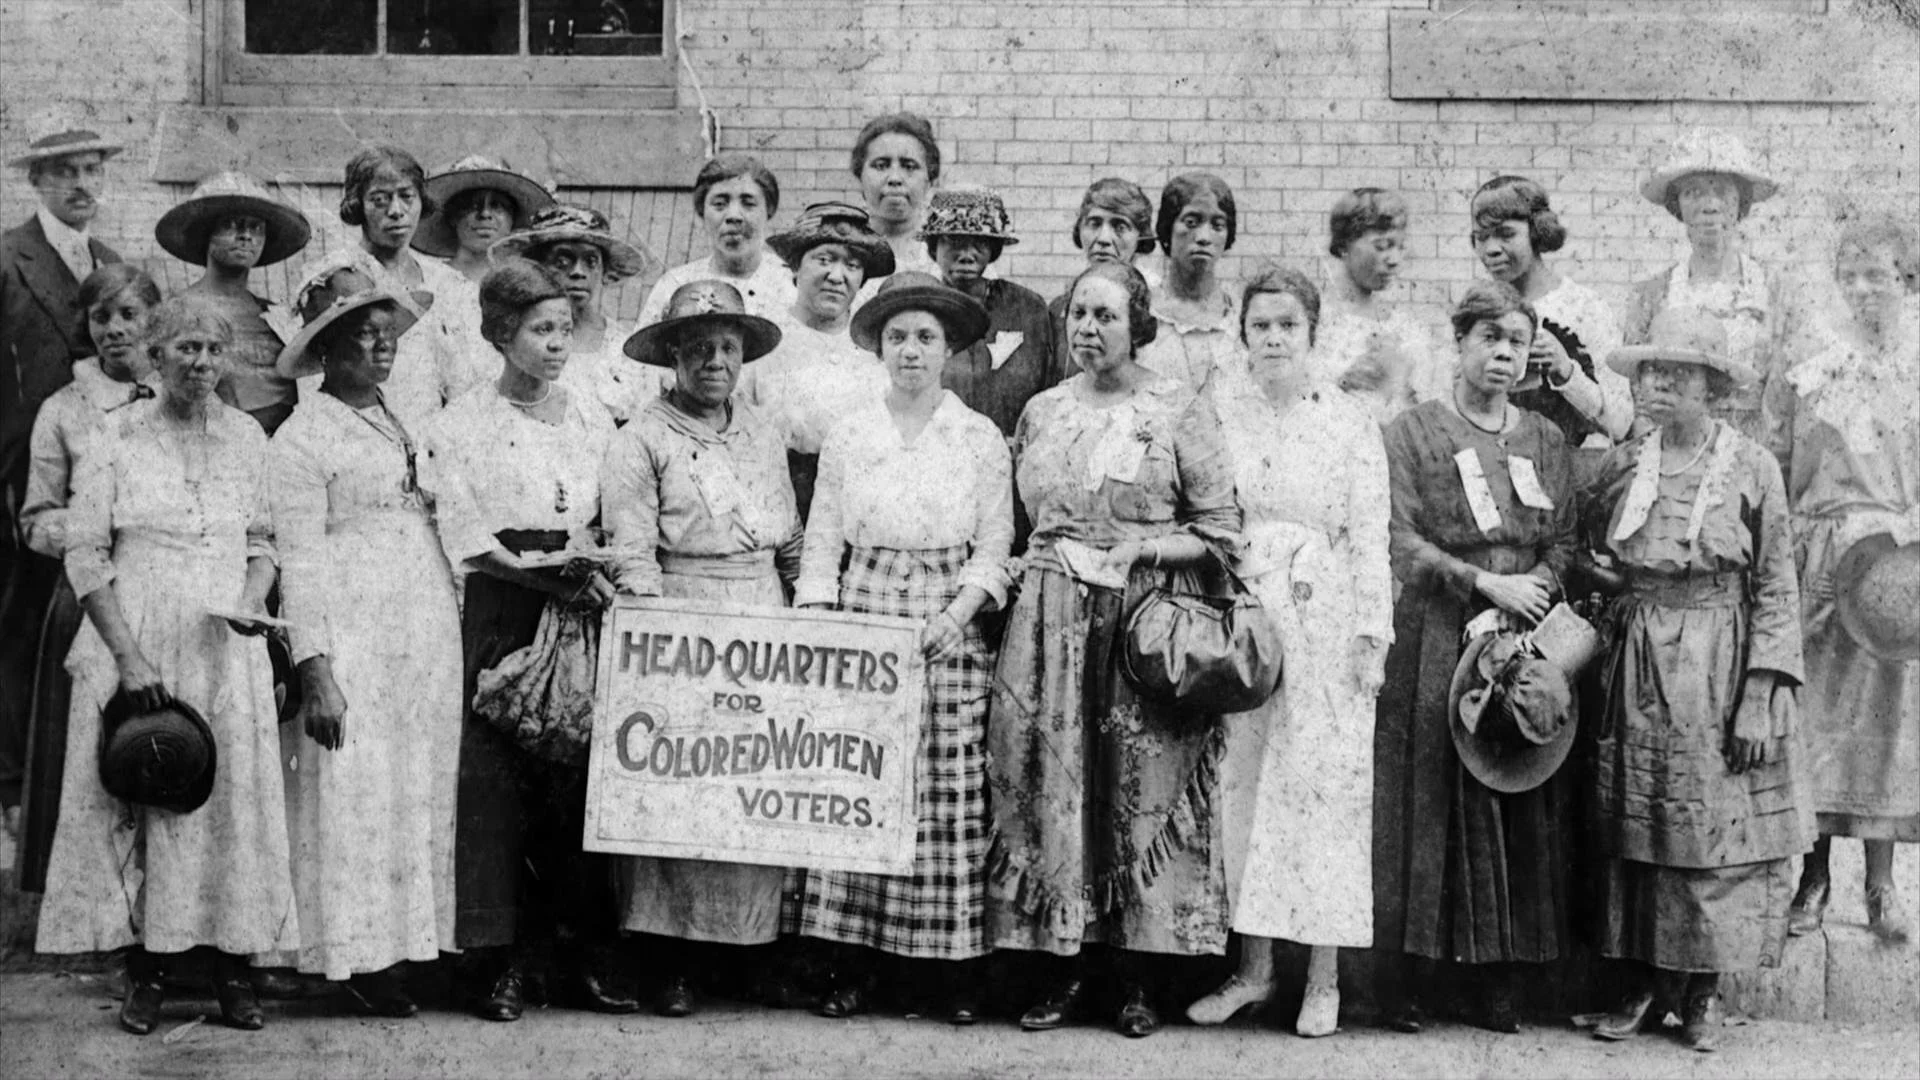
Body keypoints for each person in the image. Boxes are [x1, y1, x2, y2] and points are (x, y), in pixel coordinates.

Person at [985, 261, 1242, 1039]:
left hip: (1143, 624)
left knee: (1137, 790)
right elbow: (1023, 524)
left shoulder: (1178, 407)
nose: (1089, 329)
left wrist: (1141, 550)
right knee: (1057, 790)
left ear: (1138, 326)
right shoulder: (1042, 410)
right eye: (1079, 315)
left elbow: (1221, 531)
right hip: (1050, 623)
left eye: (1106, 316)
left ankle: (1138, 980)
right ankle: (1064, 969)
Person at [36, 293, 295, 1034]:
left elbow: (263, 539)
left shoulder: (246, 436)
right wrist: (128, 656)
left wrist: (250, 599)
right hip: (141, 629)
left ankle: (233, 969)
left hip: (225, 639)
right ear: (155, 355)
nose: (201, 363)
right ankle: (147, 971)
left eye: (213, 350)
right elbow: (86, 554)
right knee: (146, 788)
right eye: (185, 348)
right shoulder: (113, 435)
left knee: (231, 799)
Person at [1579, 307, 1810, 1052]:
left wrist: (1760, 693)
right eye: (1651, 371)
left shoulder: (1752, 466)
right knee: (1640, 821)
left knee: (1711, 829)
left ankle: (1703, 994)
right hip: (1637, 661)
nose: (1658, 385)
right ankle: (1641, 985)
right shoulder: (1625, 464)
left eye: (1677, 373)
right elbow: (1590, 549)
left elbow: (1776, 582)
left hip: (1720, 662)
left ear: (1711, 386)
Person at [791, 273, 1011, 1023]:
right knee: (863, 780)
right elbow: (823, 535)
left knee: (947, 783)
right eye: (896, 338)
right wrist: (825, 616)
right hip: (867, 604)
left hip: (947, 612)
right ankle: (853, 964)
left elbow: (995, 541)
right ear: (879, 349)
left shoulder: (977, 435)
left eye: (925, 338)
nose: (911, 351)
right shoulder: (852, 432)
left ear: (949, 350)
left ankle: (947, 972)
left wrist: (959, 613)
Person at [1186, 267, 1391, 1037]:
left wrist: (1371, 637)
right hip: (1244, 619)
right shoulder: (1223, 413)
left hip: (1324, 620)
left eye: (1288, 326)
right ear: (1242, 334)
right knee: (1243, 790)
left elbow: (1369, 534)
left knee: (1323, 795)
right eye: (1260, 326)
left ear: (1312, 333)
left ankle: (1322, 979)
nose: (1273, 339)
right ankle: (1254, 970)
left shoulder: (1347, 419)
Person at [423, 259, 628, 1022]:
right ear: (500, 335)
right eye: (541, 330)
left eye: (565, 330)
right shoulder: (460, 424)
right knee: (497, 785)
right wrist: (545, 580)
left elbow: (608, 513)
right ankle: (497, 963)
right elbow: (466, 538)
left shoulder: (591, 417)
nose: (556, 344)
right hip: (505, 609)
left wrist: (590, 571)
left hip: (580, 606)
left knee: (571, 784)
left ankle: (572, 959)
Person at [1372, 280, 1577, 1034]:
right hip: (1438, 627)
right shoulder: (1413, 433)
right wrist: (1480, 582)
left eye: (1516, 342)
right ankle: (1413, 977)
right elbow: (1399, 535)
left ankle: (1499, 978)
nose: (1502, 354)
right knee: (1429, 796)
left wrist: (1535, 587)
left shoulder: (1545, 440)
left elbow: (1565, 539)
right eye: (1489, 338)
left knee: (1512, 785)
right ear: (1458, 343)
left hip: (1524, 630)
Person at [267, 267, 462, 1014]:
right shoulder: (302, 437)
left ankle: (417, 945)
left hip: (420, 618)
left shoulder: (399, 418)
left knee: (416, 778)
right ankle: (358, 955)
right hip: (355, 622)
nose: (382, 347)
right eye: (361, 335)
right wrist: (315, 668)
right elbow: (299, 562)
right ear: (324, 348)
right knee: (359, 784)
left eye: (387, 334)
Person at [602, 279, 797, 1018]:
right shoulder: (642, 438)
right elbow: (631, 551)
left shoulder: (762, 432)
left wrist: (808, 610)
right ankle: (671, 960)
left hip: (760, 612)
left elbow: (787, 534)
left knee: (752, 779)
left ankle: (745, 953)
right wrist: (657, 635)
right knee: (681, 783)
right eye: (699, 349)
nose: (715, 362)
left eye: (727, 348)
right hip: (682, 618)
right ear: (672, 356)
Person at [1783, 215, 1920, 943]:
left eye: (1880, 276)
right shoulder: (1817, 370)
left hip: (1893, 567)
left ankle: (1881, 885)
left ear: (1907, 282)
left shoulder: (1915, 374)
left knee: (1886, 723)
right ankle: (1814, 879)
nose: (1865, 290)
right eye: (1853, 276)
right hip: (1821, 556)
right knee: (1818, 720)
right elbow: (1788, 467)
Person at [13, 265, 161, 895]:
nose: (116, 329)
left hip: (170, 584)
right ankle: (97, 905)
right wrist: (95, 530)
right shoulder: (64, 408)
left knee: (169, 742)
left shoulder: (180, 388)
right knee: (92, 755)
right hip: (89, 595)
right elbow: (37, 517)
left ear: (154, 320)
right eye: (102, 317)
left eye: (129, 314)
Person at [2, 129, 125, 826]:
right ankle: (13, 792)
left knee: (86, 621)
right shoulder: (8, 259)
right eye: (66, 173)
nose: (82, 185)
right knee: (20, 621)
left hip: (101, 467)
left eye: (91, 170)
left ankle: (78, 783)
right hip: (22, 468)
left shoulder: (109, 261)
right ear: (37, 182)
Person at [1623, 129, 1803, 452]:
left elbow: (1787, 399)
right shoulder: (1651, 295)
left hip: (1755, 451)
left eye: (1721, 192)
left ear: (1741, 201)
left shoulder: (1776, 293)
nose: (1709, 205)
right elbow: (1641, 404)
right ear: (1677, 204)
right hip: (1674, 452)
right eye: (1693, 192)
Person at [746, 201, 896, 518]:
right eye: (824, 260)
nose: (836, 276)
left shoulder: (875, 350)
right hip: (771, 501)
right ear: (796, 267)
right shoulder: (764, 341)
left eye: (852, 265)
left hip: (855, 507)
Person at [1469, 175, 1632, 448]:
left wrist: (1565, 370)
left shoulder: (1584, 307)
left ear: (1536, 233)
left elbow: (1622, 423)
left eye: (1506, 234)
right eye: (1481, 238)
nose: (1492, 249)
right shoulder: (1475, 312)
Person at [334, 145, 491, 425]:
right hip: (363, 430)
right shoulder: (339, 276)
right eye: (379, 200)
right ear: (359, 206)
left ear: (421, 201)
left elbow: (464, 377)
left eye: (406, 196)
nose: (396, 211)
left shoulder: (445, 282)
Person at [158, 171, 312, 436]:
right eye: (231, 225)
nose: (245, 236)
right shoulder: (180, 309)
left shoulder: (274, 313)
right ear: (207, 233)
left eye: (256, 228)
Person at [494, 203, 665, 423]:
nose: (578, 272)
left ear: (604, 271)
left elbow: (644, 420)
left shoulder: (626, 350)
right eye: (562, 261)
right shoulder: (513, 342)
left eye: (591, 261)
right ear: (536, 268)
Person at [919, 186, 1064, 440]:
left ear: (994, 249)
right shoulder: (919, 307)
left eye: (980, 242)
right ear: (934, 248)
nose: (966, 255)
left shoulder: (1025, 307)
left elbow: (1048, 385)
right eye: (953, 241)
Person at [1318, 188, 1445, 425]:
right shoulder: (1317, 322)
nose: (1394, 260)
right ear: (1344, 246)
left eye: (1400, 247)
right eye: (1382, 246)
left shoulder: (1405, 327)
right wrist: (1342, 382)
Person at [637, 153, 794, 325]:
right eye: (719, 204)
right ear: (702, 212)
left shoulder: (791, 285)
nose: (734, 215)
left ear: (768, 210)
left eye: (748, 204)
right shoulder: (675, 284)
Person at [1139, 173, 1241, 392]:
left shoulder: (1236, 316)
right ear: (1168, 228)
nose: (1204, 237)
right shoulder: (1142, 310)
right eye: (1191, 222)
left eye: (1217, 225)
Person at [1047, 178, 1156, 367]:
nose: (1104, 239)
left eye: (1120, 227)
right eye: (1094, 224)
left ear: (1141, 236)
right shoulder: (1060, 309)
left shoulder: (1159, 308)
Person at [413, 154, 554, 284]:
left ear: (512, 218)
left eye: (497, 206)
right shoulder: (429, 278)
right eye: (472, 206)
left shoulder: (524, 280)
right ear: (453, 217)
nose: (485, 214)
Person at [850, 112, 942, 305]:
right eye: (881, 165)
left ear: (929, 180)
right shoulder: (841, 249)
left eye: (909, 166)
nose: (894, 178)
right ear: (860, 177)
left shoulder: (948, 256)